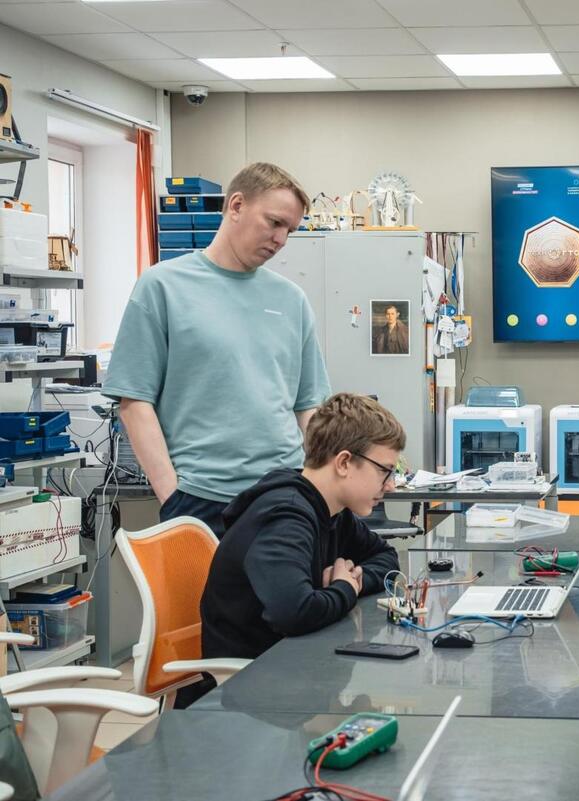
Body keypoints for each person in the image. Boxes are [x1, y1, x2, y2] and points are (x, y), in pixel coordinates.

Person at [103, 162, 330, 538]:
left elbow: (309, 407)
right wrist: (172, 497)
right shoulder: (163, 286)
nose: (281, 240)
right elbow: (134, 402)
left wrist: (321, 489)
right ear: (236, 206)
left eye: (289, 230)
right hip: (199, 500)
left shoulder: (291, 300)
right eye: (274, 222)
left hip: (283, 494)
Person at [200, 392, 403, 661]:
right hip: (254, 673)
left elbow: (387, 557)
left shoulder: (333, 511)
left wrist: (353, 579)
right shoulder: (284, 517)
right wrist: (345, 589)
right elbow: (294, 613)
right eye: (384, 470)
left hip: (295, 657)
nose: (391, 485)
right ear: (344, 463)